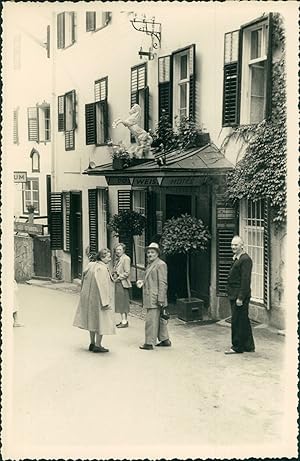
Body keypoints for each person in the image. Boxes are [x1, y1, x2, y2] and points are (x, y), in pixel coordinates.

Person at [73, 248, 115, 353]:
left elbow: (83, 279)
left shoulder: (91, 265)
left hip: (89, 298)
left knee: (92, 320)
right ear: (102, 257)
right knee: (101, 321)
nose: (110, 259)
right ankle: (98, 344)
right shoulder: (102, 269)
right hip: (99, 299)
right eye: (108, 257)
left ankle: (92, 342)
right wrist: (106, 302)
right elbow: (103, 286)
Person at [136, 242, 171, 350]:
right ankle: (165, 340)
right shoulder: (150, 264)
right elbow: (149, 279)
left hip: (155, 297)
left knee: (151, 320)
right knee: (160, 320)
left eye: (152, 252)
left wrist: (161, 298)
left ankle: (149, 343)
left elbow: (163, 283)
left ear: (157, 254)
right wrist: (142, 282)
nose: (150, 254)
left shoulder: (160, 264)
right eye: (148, 252)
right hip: (152, 296)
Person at [225, 235, 255, 354]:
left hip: (239, 295)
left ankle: (237, 347)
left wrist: (241, 297)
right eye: (232, 244)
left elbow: (245, 280)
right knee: (243, 320)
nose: (233, 247)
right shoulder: (237, 258)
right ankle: (248, 345)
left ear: (242, 246)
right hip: (235, 294)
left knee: (237, 321)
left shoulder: (245, 259)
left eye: (236, 245)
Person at [112, 243, 131, 328]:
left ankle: (124, 321)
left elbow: (127, 273)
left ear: (123, 250)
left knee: (123, 302)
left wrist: (118, 278)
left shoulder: (126, 259)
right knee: (120, 302)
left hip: (122, 283)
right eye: (117, 250)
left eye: (120, 249)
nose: (118, 251)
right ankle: (123, 320)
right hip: (118, 283)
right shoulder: (118, 259)